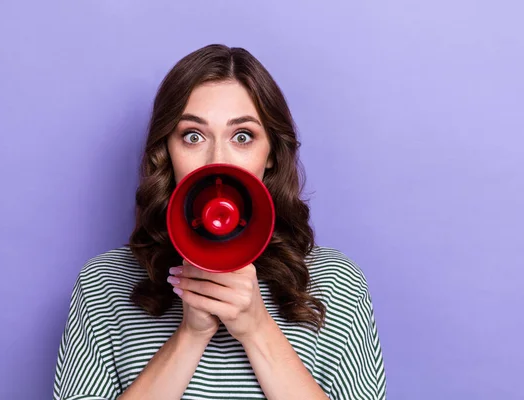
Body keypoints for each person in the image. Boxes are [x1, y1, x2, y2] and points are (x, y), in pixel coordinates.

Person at [52, 44, 386, 400]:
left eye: (242, 137)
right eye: (193, 136)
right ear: (165, 151)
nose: (217, 160)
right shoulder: (104, 284)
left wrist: (256, 328)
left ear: (271, 153)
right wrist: (190, 335)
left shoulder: (336, 283)